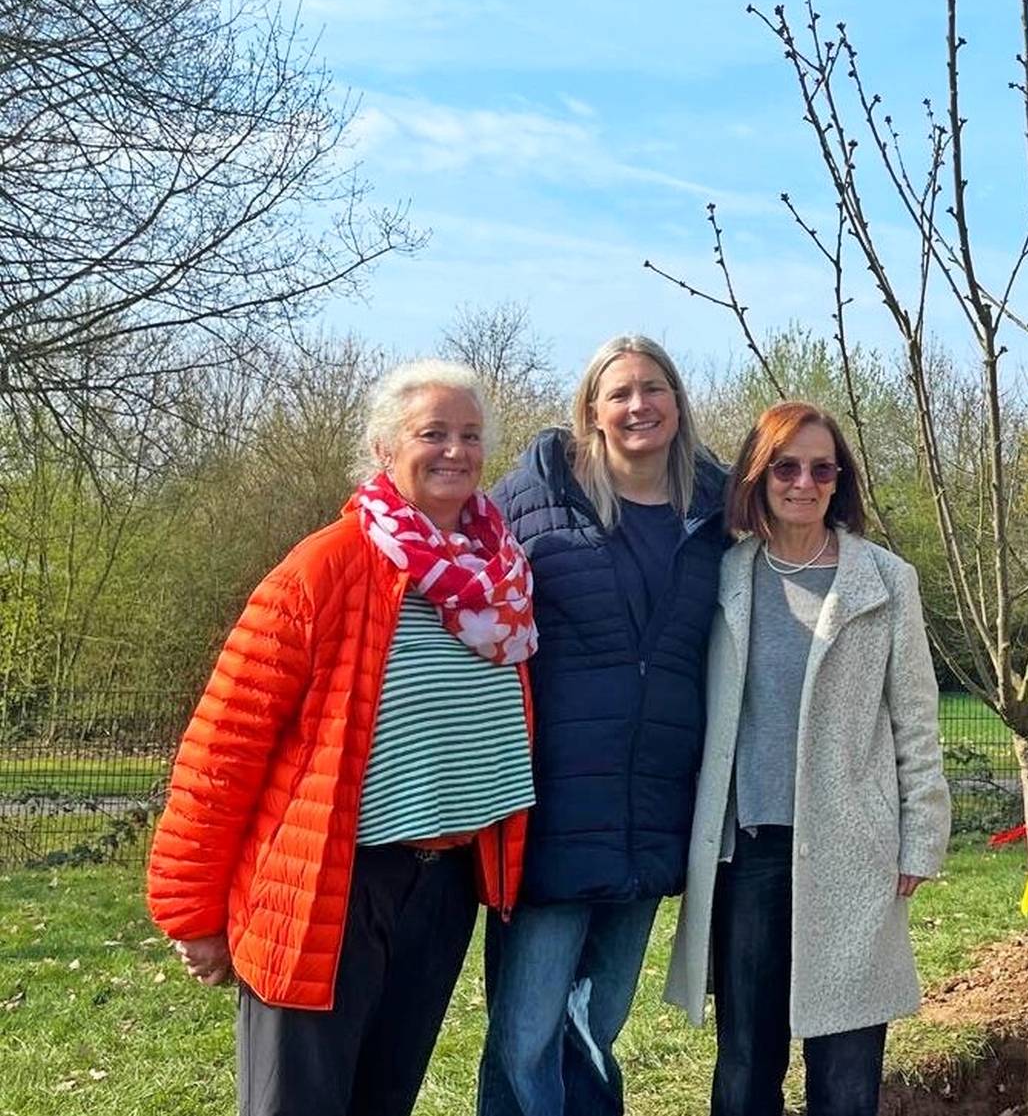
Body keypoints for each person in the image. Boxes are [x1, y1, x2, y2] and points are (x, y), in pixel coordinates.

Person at [146, 360, 536, 1116]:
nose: (455, 450)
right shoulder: (324, 568)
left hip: (444, 886)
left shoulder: (500, 577)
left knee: (385, 1098)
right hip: (330, 882)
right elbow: (222, 750)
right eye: (433, 433)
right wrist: (191, 912)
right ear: (385, 448)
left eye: (469, 434)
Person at [665, 400, 951, 1116]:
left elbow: (916, 721)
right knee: (744, 1067)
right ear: (758, 477)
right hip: (750, 853)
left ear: (839, 480)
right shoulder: (726, 577)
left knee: (847, 1076)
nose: (804, 483)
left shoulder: (885, 580)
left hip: (854, 849)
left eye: (822, 469)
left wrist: (922, 834)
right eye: (786, 467)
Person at [478, 334, 729, 1116]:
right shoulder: (531, 500)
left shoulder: (719, 513)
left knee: (596, 1024)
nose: (638, 405)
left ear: (677, 400)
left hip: (654, 807)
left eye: (653, 387)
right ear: (591, 409)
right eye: (619, 392)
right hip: (551, 808)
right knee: (525, 1035)